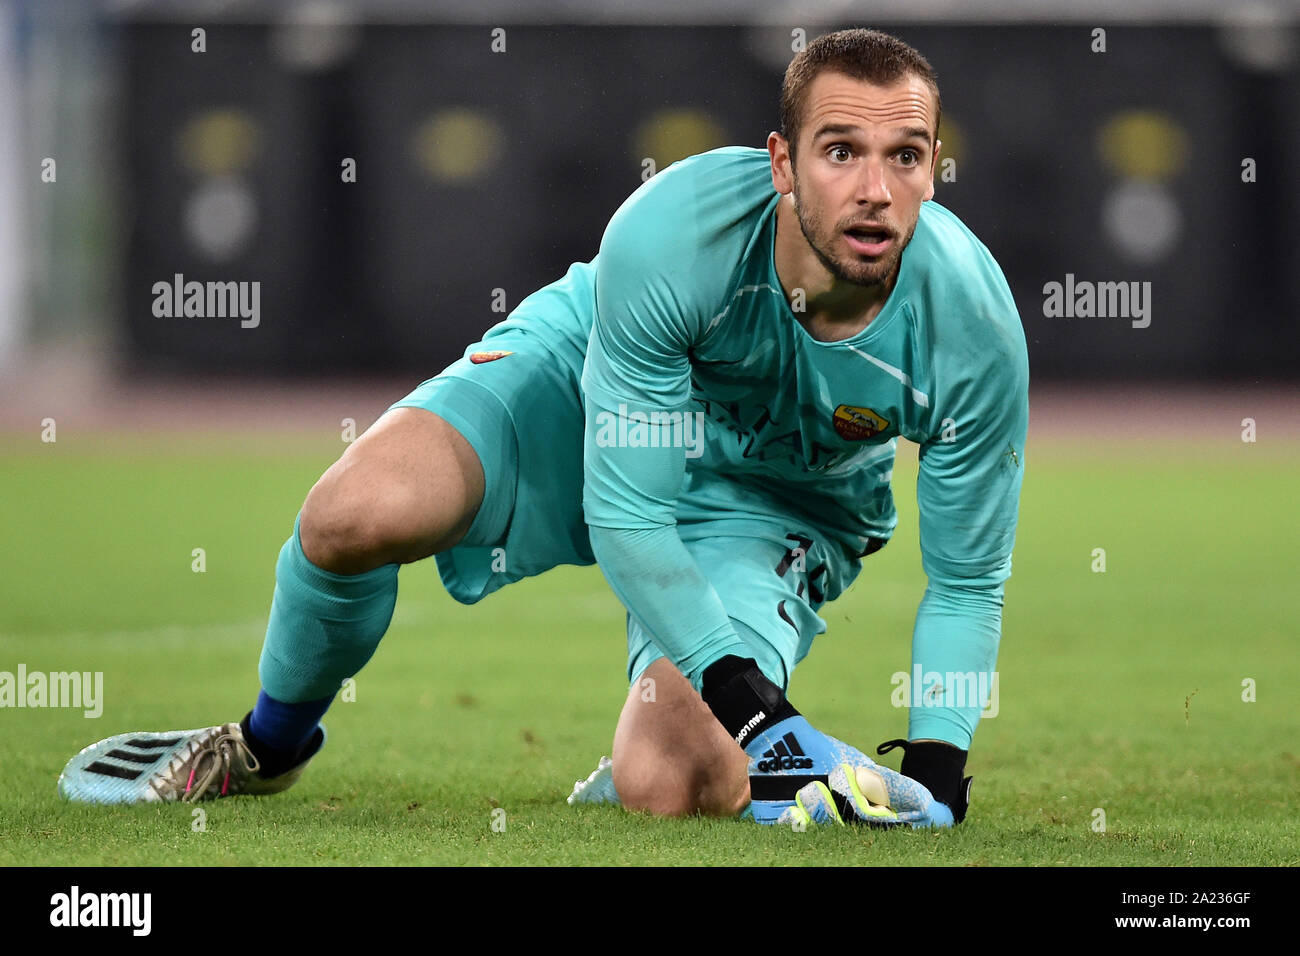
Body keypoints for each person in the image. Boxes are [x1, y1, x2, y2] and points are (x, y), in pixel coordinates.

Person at [59, 28, 1027, 829]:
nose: (874, 188)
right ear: (781, 162)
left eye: (904, 156)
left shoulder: (972, 327)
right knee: (351, 514)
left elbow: (969, 577)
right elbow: (628, 513)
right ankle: (261, 747)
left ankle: (662, 752)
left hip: (776, 501)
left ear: (934, 172)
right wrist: (760, 714)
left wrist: (939, 772)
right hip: (588, 389)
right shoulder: (670, 235)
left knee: (670, 781)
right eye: (839, 151)